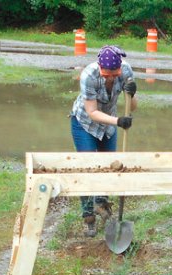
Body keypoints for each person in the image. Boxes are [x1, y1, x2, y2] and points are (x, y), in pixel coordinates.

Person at [70, 45, 138, 237]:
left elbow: (133, 106)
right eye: (106, 74)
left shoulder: (126, 71)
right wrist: (118, 122)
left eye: (113, 75)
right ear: (100, 68)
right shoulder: (88, 76)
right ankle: (88, 218)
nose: (110, 78)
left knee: (110, 166)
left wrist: (131, 94)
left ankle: (102, 204)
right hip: (85, 123)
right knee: (87, 167)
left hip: (110, 122)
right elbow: (92, 112)